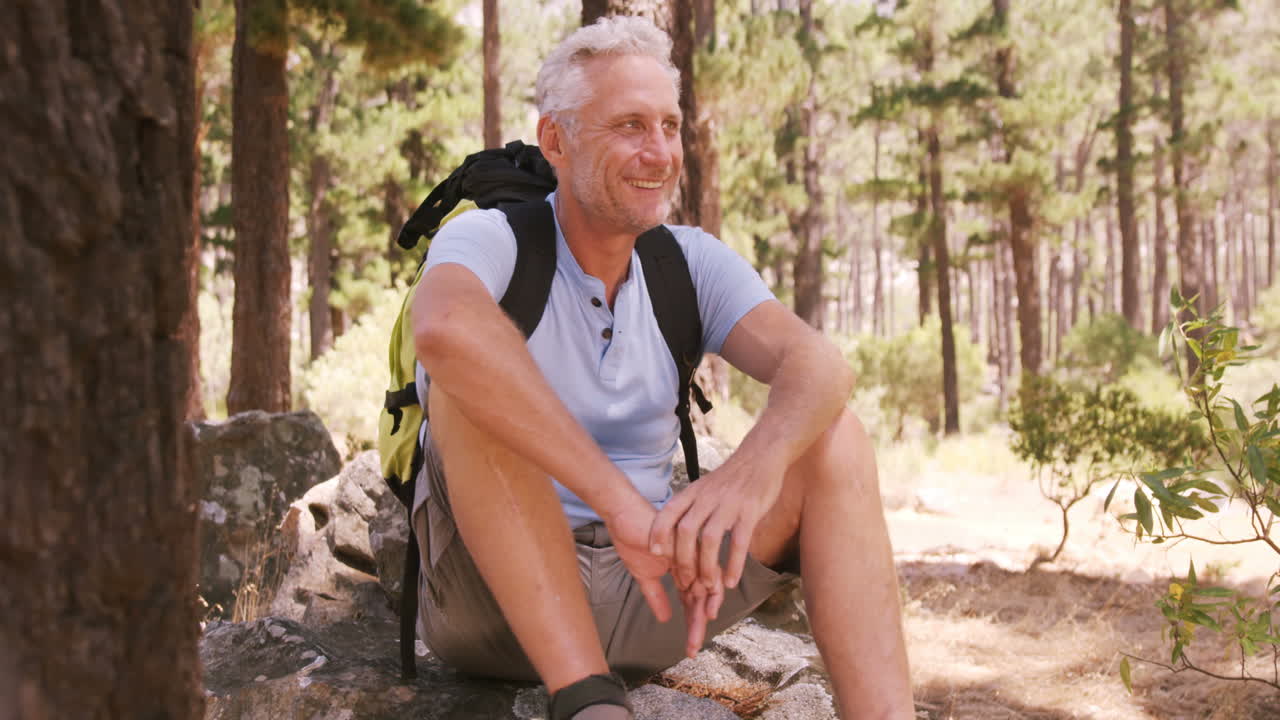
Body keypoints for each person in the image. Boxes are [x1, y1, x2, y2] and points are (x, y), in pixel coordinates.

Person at [410, 15, 913, 720]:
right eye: (629, 126)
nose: (659, 152)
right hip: (490, 601)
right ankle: (588, 699)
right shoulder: (488, 240)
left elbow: (818, 364)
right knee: (468, 382)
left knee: (836, 437)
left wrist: (751, 472)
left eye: (670, 127)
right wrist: (618, 502)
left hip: (651, 585)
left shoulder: (688, 260)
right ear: (556, 139)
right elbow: (444, 326)